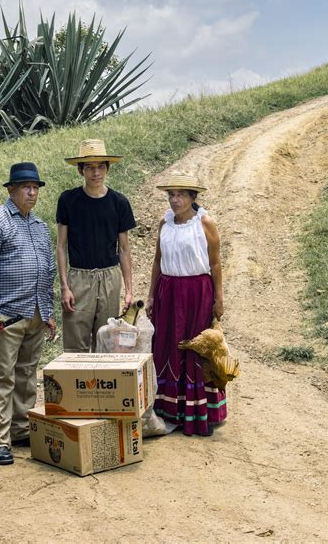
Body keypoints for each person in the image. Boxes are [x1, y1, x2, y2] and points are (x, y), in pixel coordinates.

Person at [0, 162, 56, 465]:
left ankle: (20, 429)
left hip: (34, 312)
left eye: (35, 188)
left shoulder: (39, 226)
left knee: (26, 375)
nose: (32, 192)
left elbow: (47, 271)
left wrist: (47, 312)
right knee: (3, 377)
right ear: (12, 190)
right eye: (26, 187)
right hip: (7, 315)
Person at [147, 173, 227, 436]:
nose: (175, 200)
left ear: (193, 197)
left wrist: (218, 298)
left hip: (196, 294)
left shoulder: (205, 223)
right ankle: (170, 410)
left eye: (181, 194)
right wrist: (150, 296)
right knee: (168, 346)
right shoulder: (165, 223)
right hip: (168, 293)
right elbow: (158, 262)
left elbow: (215, 264)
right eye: (171, 194)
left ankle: (198, 412)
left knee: (195, 348)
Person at [56, 138, 136, 352]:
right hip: (79, 278)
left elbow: (124, 249)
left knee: (107, 342)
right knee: (75, 343)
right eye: (89, 167)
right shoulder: (68, 200)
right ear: (80, 170)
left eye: (101, 166)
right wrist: (64, 286)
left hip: (110, 277)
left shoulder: (119, 202)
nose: (96, 172)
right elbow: (61, 246)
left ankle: (103, 384)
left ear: (107, 168)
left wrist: (128, 290)